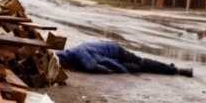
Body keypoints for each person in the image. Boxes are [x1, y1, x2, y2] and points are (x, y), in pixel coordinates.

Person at [54, 41, 194, 77]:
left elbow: (91, 66)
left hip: (117, 52)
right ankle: (167, 68)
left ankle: (176, 69)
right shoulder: (74, 54)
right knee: (140, 67)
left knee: (142, 62)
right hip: (114, 59)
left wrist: (108, 71)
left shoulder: (78, 52)